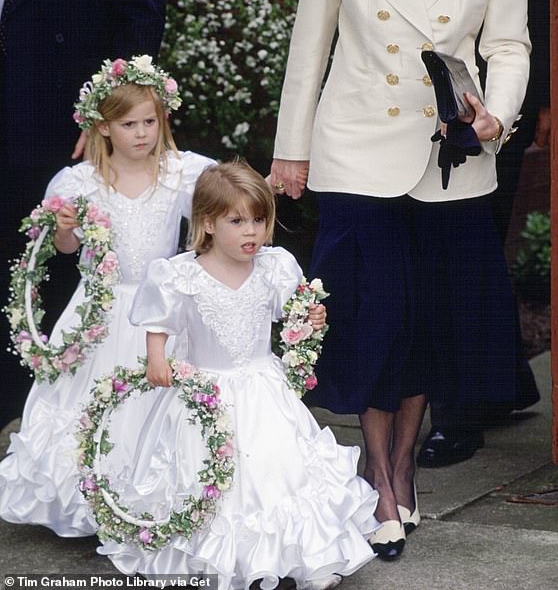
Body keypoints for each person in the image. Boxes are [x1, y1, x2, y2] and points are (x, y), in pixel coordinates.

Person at [270, 0, 530, 559]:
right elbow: (310, 39)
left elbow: (510, 43)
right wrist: (291, 150)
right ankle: (382, 485)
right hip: (355, 149)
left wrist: (498, 114)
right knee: (372, 323)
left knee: (424, 330)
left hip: (448, 151)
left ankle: (403, 474)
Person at [98, 160, 378, 590]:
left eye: (260, 220)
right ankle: (219, 560)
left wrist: (312, 317)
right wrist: (157, 357)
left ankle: (292, 555)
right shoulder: (180, 275)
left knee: (276, 470)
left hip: (262, 388)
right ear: (208, 223)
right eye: (237, 221)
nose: (252, 232)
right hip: (203, 393)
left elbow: (295, 313)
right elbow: (160, 322)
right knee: (208, 477)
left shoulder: (274, 267)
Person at [0, 0, 165, 430]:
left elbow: (141, 18)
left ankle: (46, 431)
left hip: (60, 125)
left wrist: (105, 120)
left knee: (55, 282)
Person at [399, 0, 548, 465]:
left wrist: (534, 101)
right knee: (460, 248)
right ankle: (504, 384)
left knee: (464, 245)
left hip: (493, 102)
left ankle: (457, 414)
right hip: (404, 104)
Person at [0, 56, 216, 536]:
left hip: (159, 312)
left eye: (150, 122)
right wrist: (64, 231)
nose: (141, 133)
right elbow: (64, 249)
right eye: (128, 124)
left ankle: (148, 497)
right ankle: (88, 505)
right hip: (99, 310)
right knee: (88, 404)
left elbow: (221, 208)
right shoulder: (79, 183)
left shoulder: (180, 172)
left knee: (159, 405)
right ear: (101, 128)